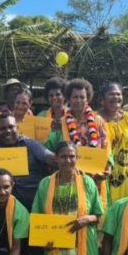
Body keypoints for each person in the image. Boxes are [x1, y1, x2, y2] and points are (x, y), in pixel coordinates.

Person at [32, 141, 104, 255]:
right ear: (56, 159)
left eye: (71, 156)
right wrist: (43, 240)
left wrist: (87, 219)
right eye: (63, 156)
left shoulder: (88, 183)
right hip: (54, 243)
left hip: (82, 240)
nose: (67, 160)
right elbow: (37, 216)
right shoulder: (45, 183)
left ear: (77, 158)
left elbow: (98, 215)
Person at [44, 79, 111, 221]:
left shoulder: (98, 121)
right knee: (70, 216)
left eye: (82, 97)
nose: (78, 100)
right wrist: (60, 164)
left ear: (88, 99)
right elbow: (48, 148)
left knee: (94, 217)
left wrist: (108, 167)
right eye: (75, 97)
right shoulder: (61, 123)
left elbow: (106, 147)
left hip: (95, 179)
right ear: (68, 98)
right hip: (68, 180)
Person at [0, 112, 56, 211]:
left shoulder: (31, 144)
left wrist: (73, 165)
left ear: (17, 128)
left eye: (11, 127)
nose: (7, 131)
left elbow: (53, 160)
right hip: (4, 200)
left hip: (33, 198)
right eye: (2, 129)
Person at [97, 82, 128, 203]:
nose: (116, 97)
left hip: (126, 176)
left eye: (118, 94)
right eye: (111, 94)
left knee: (124, 210)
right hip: (102, 174)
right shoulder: (94, 118)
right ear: (102, 100)